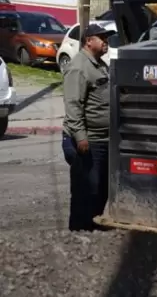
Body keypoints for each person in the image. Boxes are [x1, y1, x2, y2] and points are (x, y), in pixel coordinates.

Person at [62, 23, 114, 231]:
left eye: (106, 38)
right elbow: (73, 105)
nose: (106, 41)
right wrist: (81, 137)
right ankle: (79, 231)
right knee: (86, 189)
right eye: (102, 38)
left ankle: (94, 225)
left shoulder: (99, 65)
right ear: (88, 41)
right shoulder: (79, 68)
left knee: (101, 188)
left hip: (103, 139)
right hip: (87, 140)